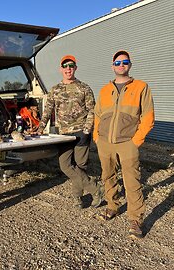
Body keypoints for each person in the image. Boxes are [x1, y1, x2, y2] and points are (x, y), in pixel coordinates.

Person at [93, 50, 155, 239]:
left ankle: (136, 220)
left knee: (132, 181)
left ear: (130, 64)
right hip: (104, 142)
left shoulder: (141, 87)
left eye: (125, 62)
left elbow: (148, 117)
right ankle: (112, 206)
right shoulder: (104, 90)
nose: (121, 65)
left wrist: (136, 141)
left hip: (127, 143)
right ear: (113, 66)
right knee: (108, 176)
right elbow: (97, 115)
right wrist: (97, 137)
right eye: (118, 63)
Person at [35, 55, 104, 209]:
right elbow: (47, 111)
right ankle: (95, 188)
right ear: (61, 69)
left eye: (71, 66)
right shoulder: (55, 90)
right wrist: (40, 127)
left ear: (75, 68)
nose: (68, 69)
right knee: (66, 165)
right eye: (65, 66)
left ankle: (78, 198)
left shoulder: (84, 88)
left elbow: (92, 110)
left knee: (80, 166)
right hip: (64, 134)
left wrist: (87, 129)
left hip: (81, 131)